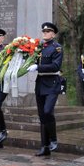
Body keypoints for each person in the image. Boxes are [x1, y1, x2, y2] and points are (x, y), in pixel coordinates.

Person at [28, 22, 63, 156]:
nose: (45, 33)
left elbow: (55, 66)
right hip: (40, 83)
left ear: (53, 34)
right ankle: (45, 146)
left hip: (52, 83)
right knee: (42, 115)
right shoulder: (39, 48)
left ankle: (53, 139)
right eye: (44, 32)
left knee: (48, 111)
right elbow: (33, 61)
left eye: (48, 31)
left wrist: (38, 67)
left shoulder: (57, 48)